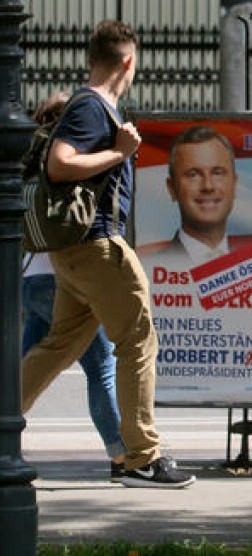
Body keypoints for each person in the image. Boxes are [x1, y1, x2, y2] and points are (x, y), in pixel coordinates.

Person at [21, 19, 195, 489]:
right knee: (138, 339)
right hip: (98, 245)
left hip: (73, 253)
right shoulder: (94, 108)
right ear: (128, 62)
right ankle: (142, 456)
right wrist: (120, 152)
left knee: (59, 346)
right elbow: (61, 164)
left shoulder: (90, 105)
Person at [22, 90, 126, 482]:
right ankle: (122, 457)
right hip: (67, 277)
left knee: (29, 366)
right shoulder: (71, 160)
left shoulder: (32, 158)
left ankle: (4, 442)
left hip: (32, 278)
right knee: (102, 369)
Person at [151, 125, 238, 264]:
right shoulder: (150, 269)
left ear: (234, 184)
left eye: (217, 173)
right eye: (193, 174)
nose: (208, 186)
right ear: (172, 188)